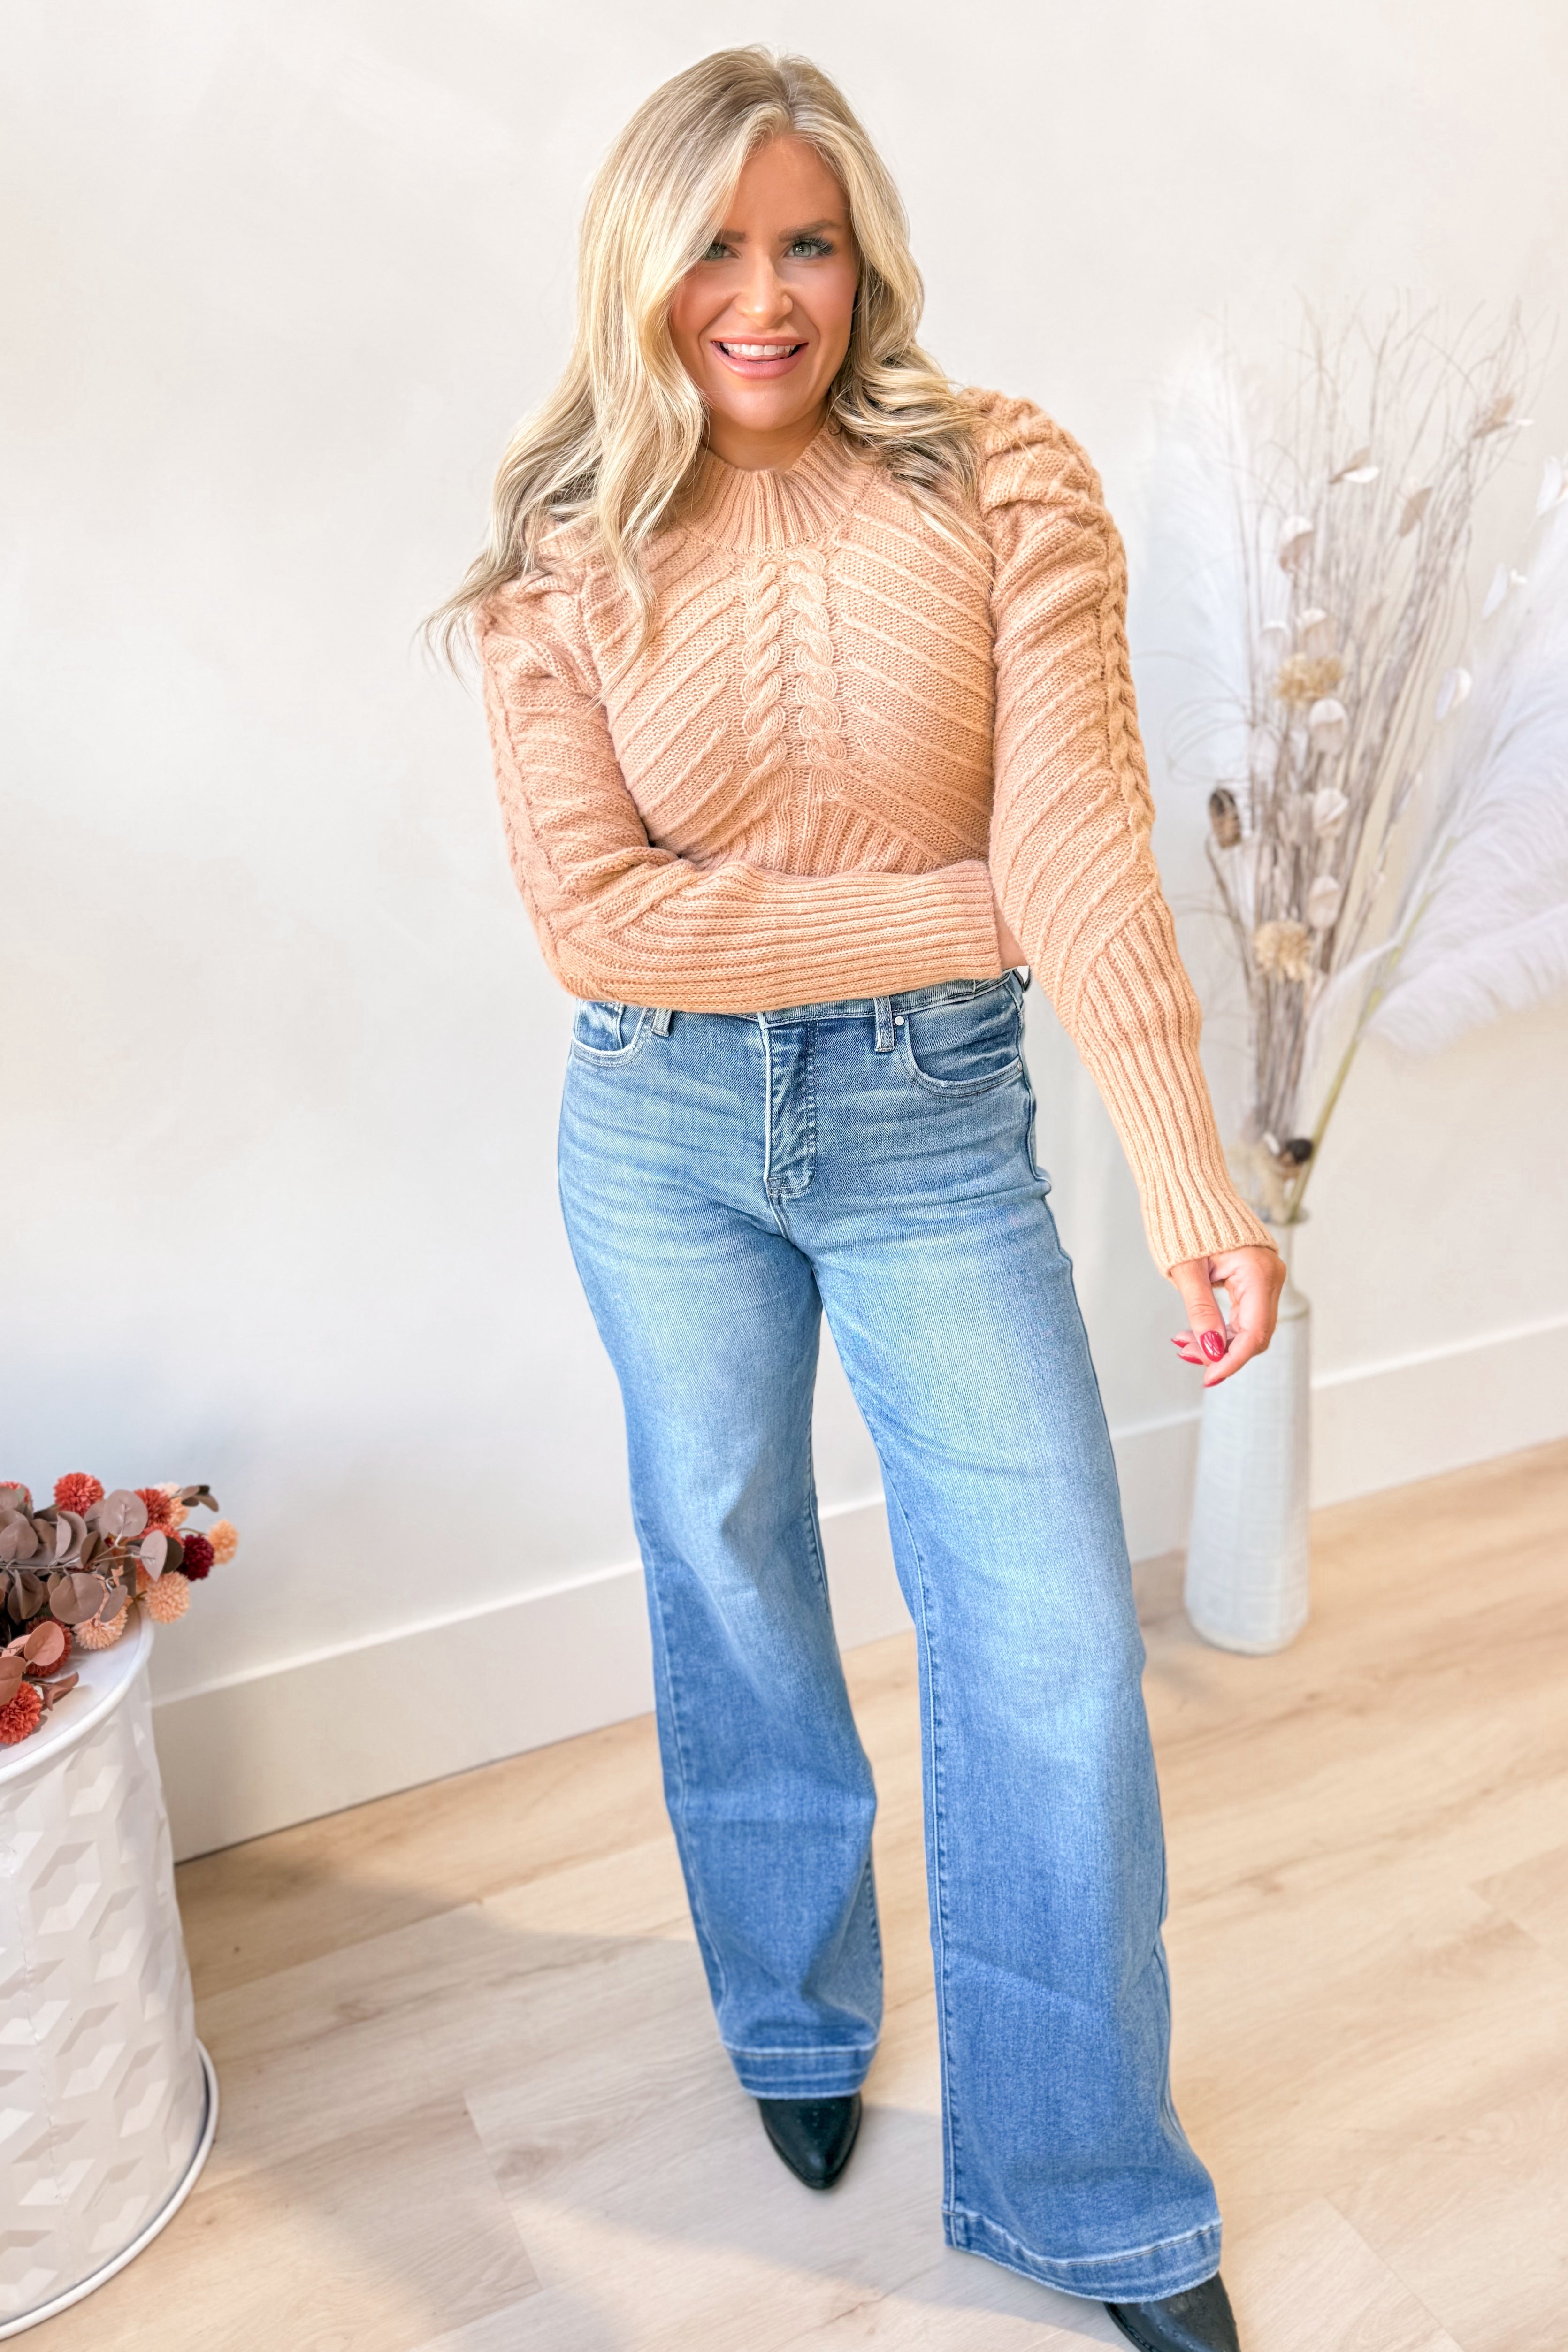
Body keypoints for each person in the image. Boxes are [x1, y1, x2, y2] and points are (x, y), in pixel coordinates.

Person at [436, 47, 1284, 2352]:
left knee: (1048, 1636)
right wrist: (960, 905)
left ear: (864, 256)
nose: (763, 295)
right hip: (658, 1129)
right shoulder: (560, 551)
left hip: (932, 1132)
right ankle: (790, 2009)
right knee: (724, 1551)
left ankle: (1088, 2190)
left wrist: (1186, 1174)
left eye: (803, 240)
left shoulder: (1004, 477)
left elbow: (1074, 841)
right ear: (639, 266)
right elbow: (603, 924)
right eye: (713, 245)